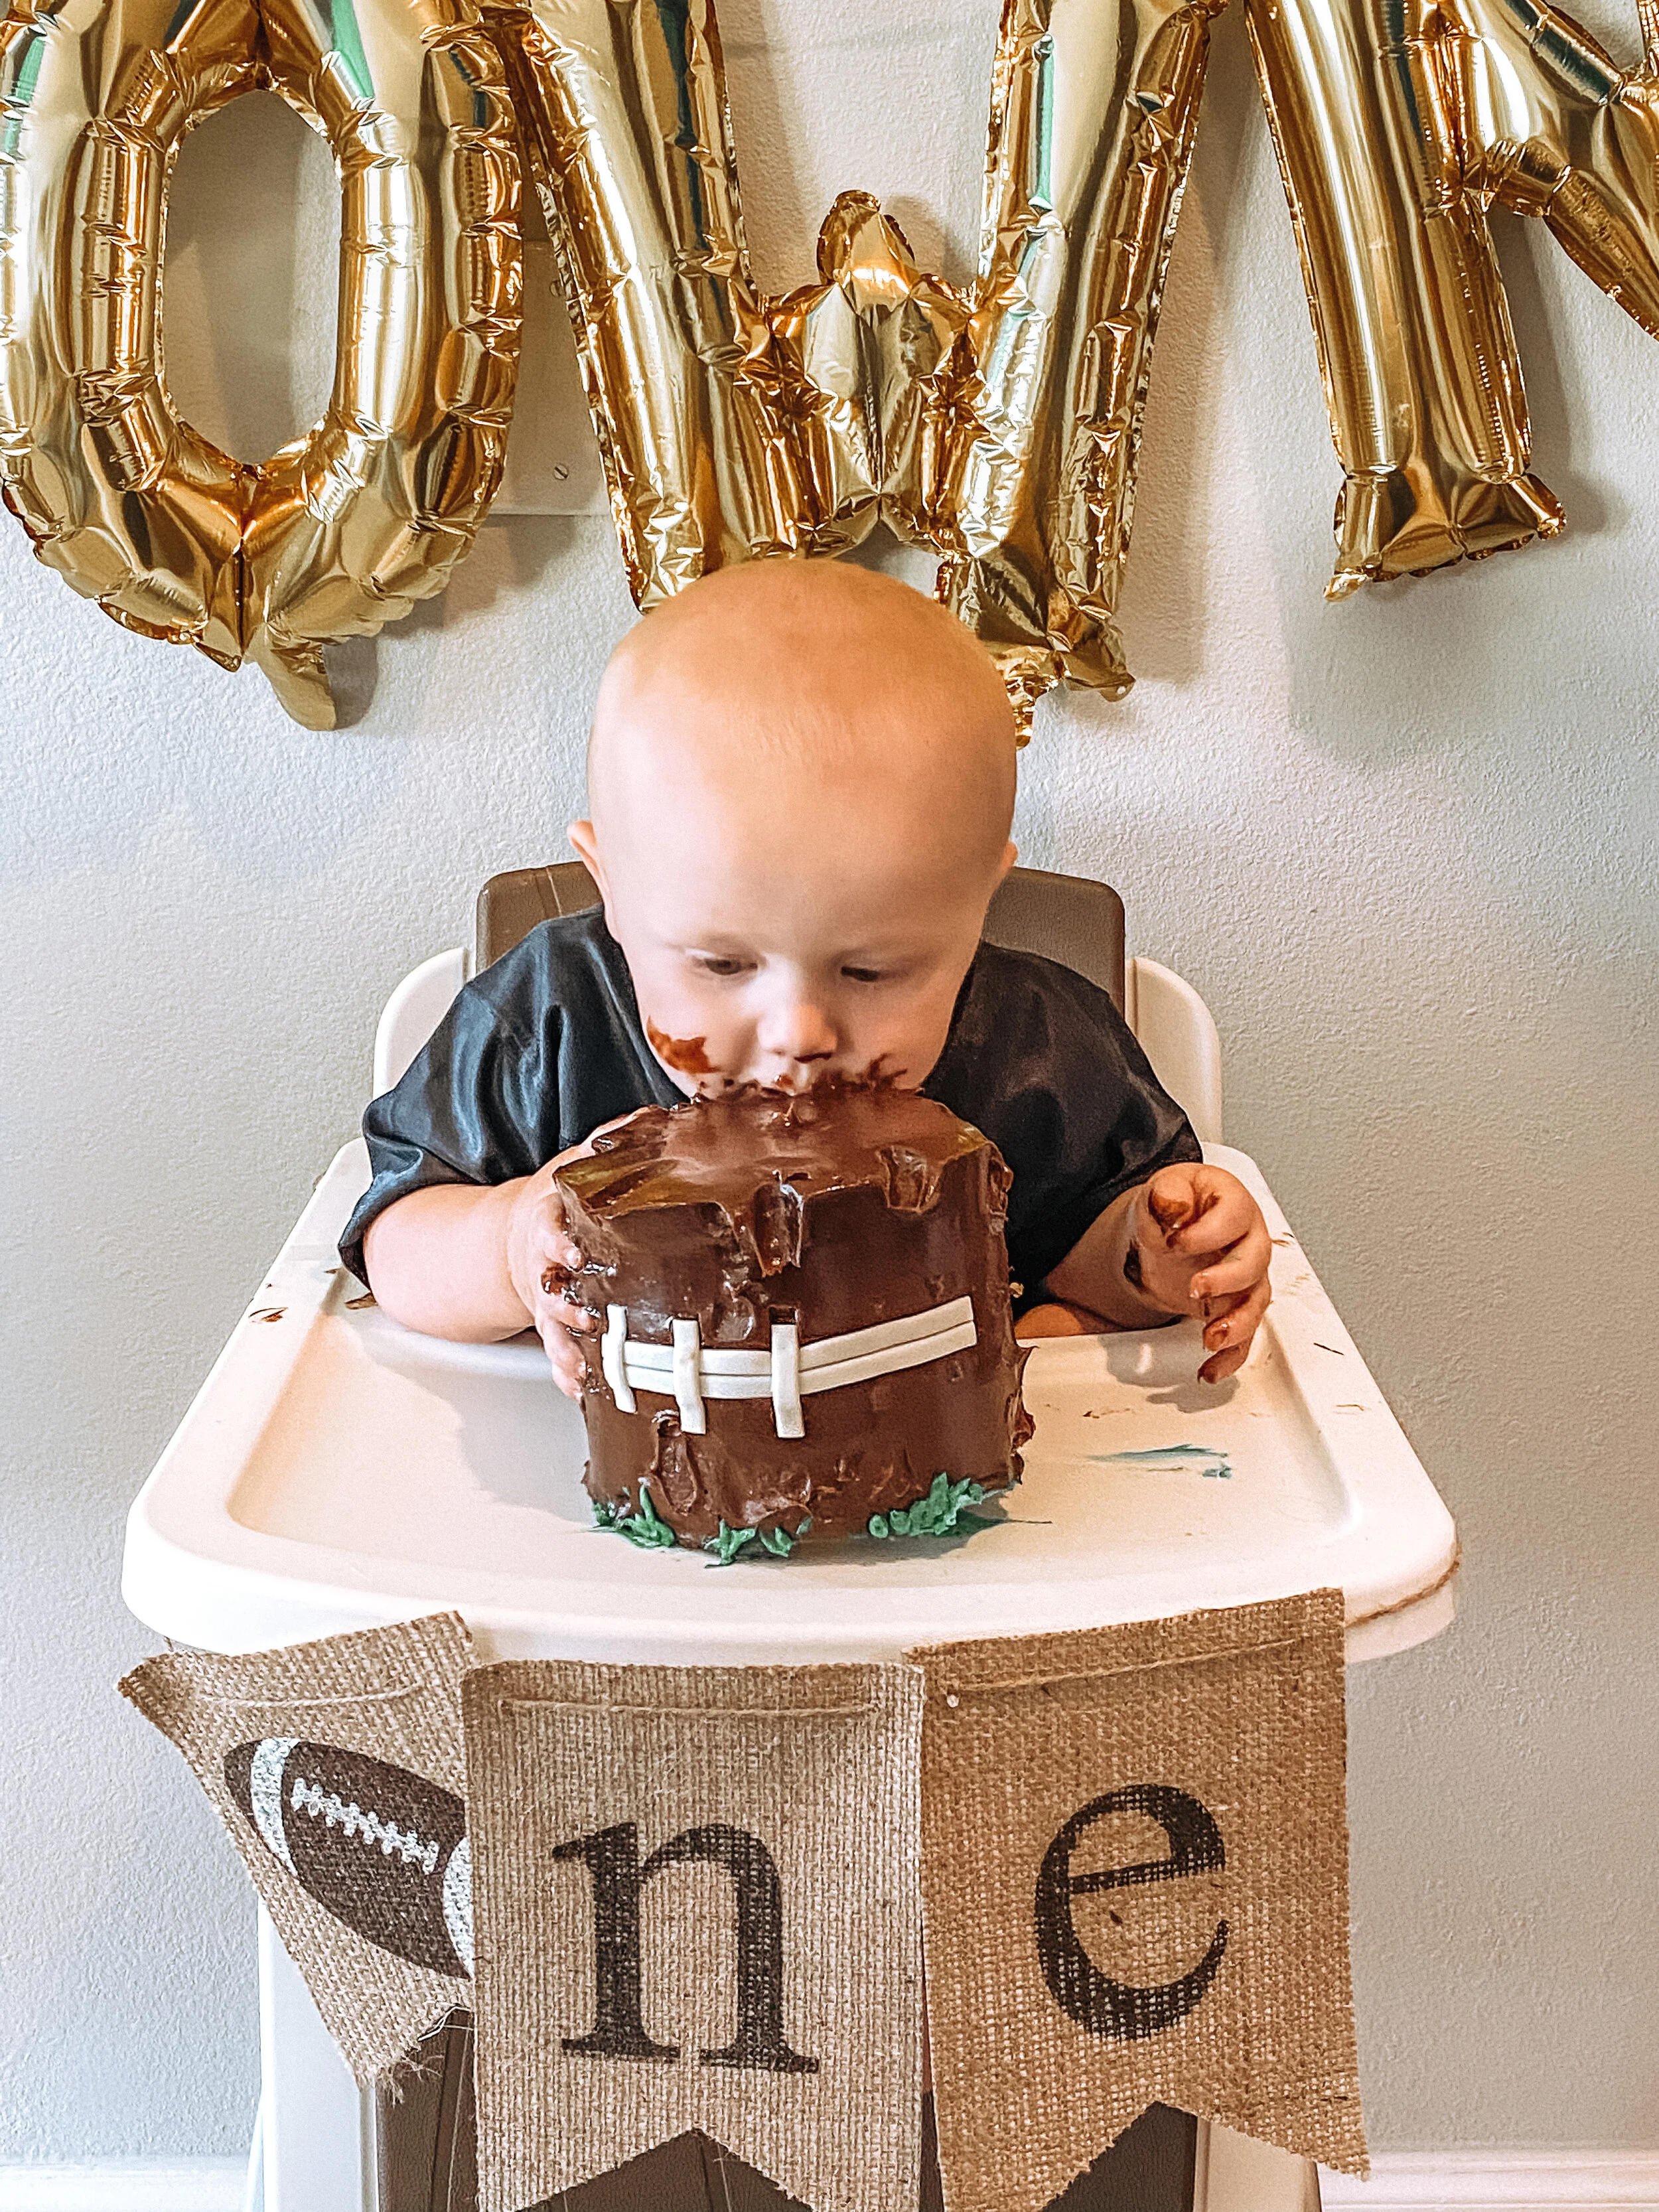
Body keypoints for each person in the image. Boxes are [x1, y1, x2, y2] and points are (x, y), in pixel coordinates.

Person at [342, 559, 1271, 1394]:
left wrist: (1156, 1255)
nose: (799, 1031)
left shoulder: (1044, 1050)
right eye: (722, 963)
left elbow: (1085, 1255)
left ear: (974, 909)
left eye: (870, 970)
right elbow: (396, 1242)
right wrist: (510, 1243)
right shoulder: (545, 1021)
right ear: (613, 890)